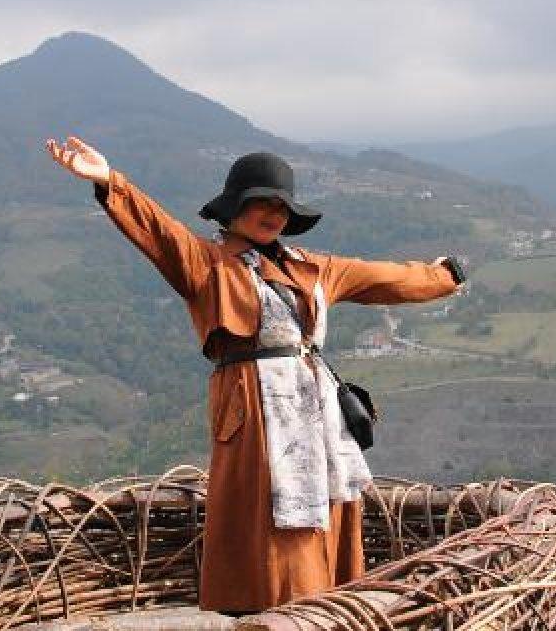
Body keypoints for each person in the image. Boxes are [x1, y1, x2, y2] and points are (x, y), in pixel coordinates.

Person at [45, 135, 465, 613]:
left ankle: (324, 607)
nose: (273, 214)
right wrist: (109, 182)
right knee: (271, 515)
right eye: (261, 203)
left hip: (317, 410)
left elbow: (383, 278)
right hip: (255, 408)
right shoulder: (207, 264)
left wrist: (442, 275)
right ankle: (277, 612)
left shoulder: (312, 269)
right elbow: (159, 234)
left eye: (281, 207)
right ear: (235, 208)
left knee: (324, 506)